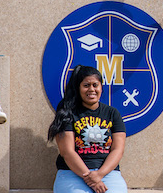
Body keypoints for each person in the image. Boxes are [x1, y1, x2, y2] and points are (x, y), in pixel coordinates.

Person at [48, 65, 127, 193]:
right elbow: (67, 152)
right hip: (72, 172)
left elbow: (118, 150)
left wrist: (99, 174)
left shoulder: (113, 113)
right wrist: (92, 179)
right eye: (86, 85)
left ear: (101, 87)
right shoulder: (67, 112)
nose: (91, 89)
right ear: (78, 88)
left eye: (95, 85)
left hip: (107, 173)